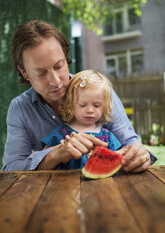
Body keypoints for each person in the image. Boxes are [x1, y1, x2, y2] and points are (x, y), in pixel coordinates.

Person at [2, 20, 156, 172]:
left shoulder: (98, 90)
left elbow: (131, 144)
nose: (55, 81)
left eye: (59, 66)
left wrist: (140, 155)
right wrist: (54, 155)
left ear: (66, 58)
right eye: (41, 73)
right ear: (24, 73)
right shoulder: (20, 108)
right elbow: (11, 168)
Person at [41, 70, 122, 169]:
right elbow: (43, 158)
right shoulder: (61, 133)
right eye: (83, 105)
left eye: (96, 105)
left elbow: (119, 159)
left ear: (104, 107)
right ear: (70, 105)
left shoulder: (107, 136)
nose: (90, 110)